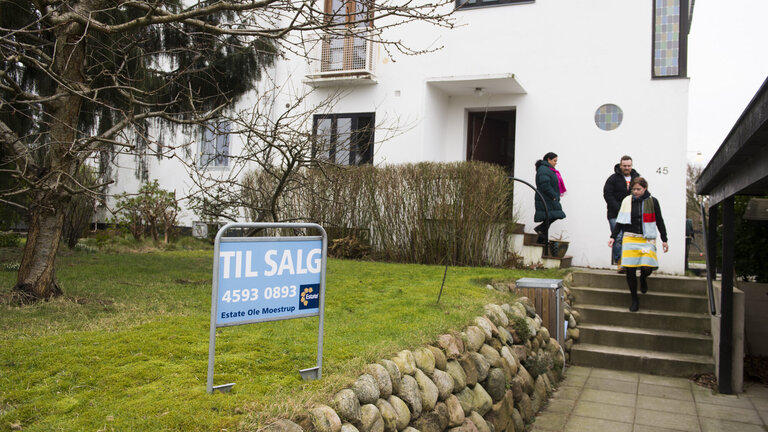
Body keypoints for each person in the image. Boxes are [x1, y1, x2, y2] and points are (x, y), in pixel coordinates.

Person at [607, 177, 668, 312]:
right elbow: (620, 221)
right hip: (630, 238)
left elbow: (659, 220)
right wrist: (613, 236)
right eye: (633, 189)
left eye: (638, 189)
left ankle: (644, 278)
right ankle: (634, 299)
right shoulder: (627, 201)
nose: (635, 192)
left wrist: (664, 239)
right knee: (630, 269)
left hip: (646, 239)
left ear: (645, 188)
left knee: (647, 267)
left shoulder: (653, 201)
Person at [603, 155, 640, 267]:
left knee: (629, 238)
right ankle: (620, 262)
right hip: (615, 214)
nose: (626, 168)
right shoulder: (612, 179)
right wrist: (620, 209)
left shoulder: (637, 179)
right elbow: (608, 195)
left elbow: (641, 194)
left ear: (631, 166)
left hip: (632, 215)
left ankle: (629, 262)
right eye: (624, 166)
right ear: (620, 165)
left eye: (629, 165)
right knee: (618, 237)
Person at [534, 152, 566, 244]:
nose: (556, 163)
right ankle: (540, 230)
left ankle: (541, 240)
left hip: (548, 198)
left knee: (548, 218)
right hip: (547, 198)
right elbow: (545, 185)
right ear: (548, 159)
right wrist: (554, 196)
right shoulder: (544, 169)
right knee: (554, 215)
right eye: (554, 160)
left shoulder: (547, 169)